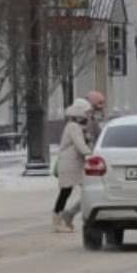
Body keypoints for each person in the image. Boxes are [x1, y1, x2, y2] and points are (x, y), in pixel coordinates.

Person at [52, 98, 93, 233]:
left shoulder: (77, 126)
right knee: (66, 192)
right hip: (70, 165)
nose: (89, 115)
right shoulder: (73, 127)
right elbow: (79, 144)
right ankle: (58, 220)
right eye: (87, 112)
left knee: (83, 191)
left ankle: (67, 215)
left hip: (75, 164)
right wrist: (91, 154)